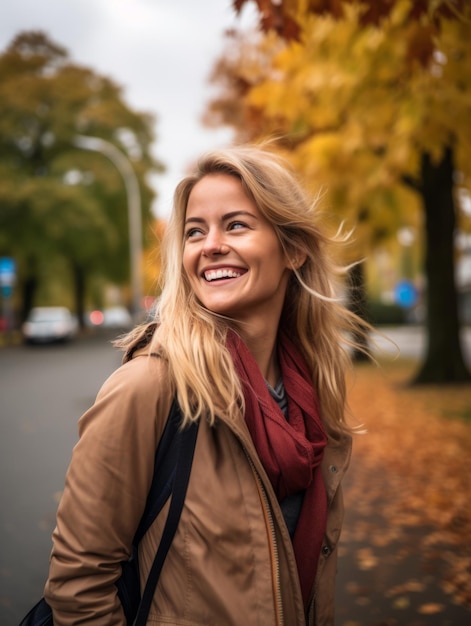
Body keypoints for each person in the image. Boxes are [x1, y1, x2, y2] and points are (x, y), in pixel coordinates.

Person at [44, 144, 369, 625]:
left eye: (235, 224)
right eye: (195, 232)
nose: (209, 244)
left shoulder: (311, 397)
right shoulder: (148, 387)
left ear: (294, 250)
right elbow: (78, 586)